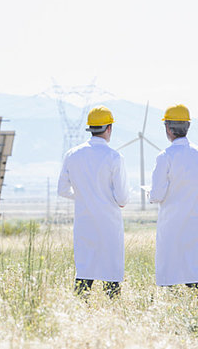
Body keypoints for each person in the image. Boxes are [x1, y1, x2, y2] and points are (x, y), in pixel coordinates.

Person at [57, 105, 129, 298]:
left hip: (84, 222)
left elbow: (62, 190)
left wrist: (84, 195)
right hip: (109, 224)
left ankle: (80, 310)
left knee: (84, 270)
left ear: (90, 128)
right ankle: (112, 312)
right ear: (109, 128)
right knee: (111, 271)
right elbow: (122, 198)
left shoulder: (72, 155)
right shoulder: (115, 157)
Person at [149, 104, 198, 288]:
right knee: (193, 271)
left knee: (168, 269)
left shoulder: (164, 157)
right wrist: (191, 192)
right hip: (194, 223)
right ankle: (196, 308)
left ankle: (167, 308)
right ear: (188, 126)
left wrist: (149, 192)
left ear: (168, 129)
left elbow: (157, 194)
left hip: (170, 224)